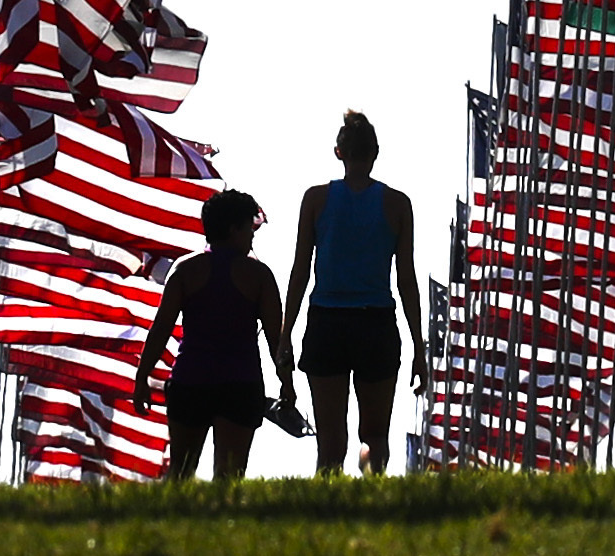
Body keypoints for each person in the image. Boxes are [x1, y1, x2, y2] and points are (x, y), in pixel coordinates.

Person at [283, 110, 425, 473]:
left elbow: (300, 271)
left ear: (338, 152)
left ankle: (328, 508)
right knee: (374, 436)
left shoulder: (315, 200)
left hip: (326, 323)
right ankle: (372, 485)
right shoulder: (398, 205)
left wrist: (286, 333)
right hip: (375, 324)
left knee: (330, 441)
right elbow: (405, 279)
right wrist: (419, 348)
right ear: (375, 153)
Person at [131, 189, 295, 484]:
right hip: (239, 385)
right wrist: (288, 383)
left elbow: (161, 329)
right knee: (229, 480)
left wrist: (142, 376)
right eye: (249, 228)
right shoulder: (259, 276)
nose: (252, 237)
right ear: (234, 229)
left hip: (191, 382)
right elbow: (277, 341)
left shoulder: (185, 269)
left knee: (179, 475)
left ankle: (168, 528)